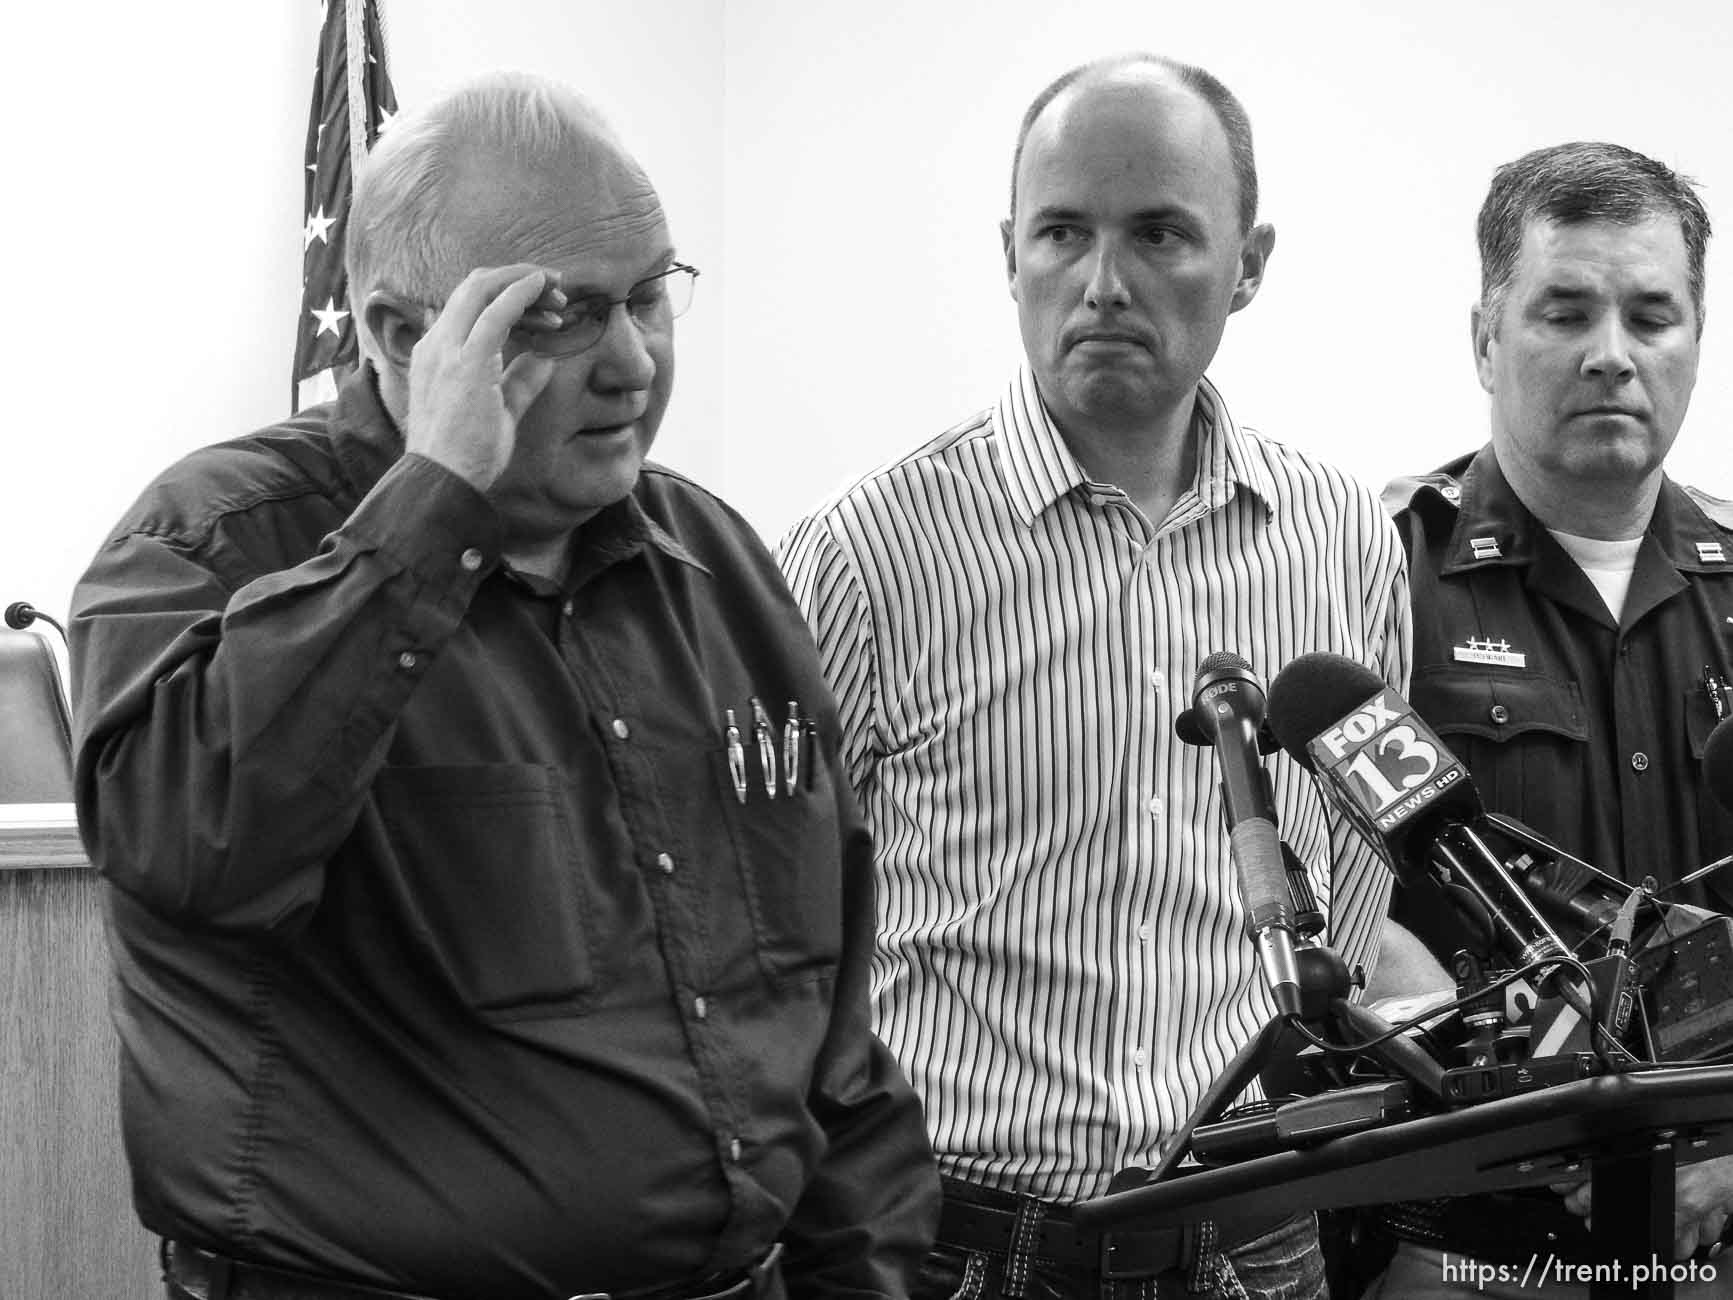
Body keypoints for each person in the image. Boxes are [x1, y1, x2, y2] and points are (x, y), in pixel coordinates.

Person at [69, 71, 939, 1300]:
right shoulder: (214, 540)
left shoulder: (721, 567)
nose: (631, 361)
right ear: (399, 337)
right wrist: (436, 504)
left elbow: (823, 1033)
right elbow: (194, 844)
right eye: (562, 314)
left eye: (649, 295)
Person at [776, 53, 1409, 1299]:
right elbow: (768, 933)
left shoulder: (1341, 536)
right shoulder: (863, 556)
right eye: (1061, 232)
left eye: (1160, 234)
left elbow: (1355, 876)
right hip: (957, 1243)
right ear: (1009, 251)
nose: (1103, 283)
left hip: (1254, 1234)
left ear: (1249, 262)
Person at [1360, 141, 1733, 1299]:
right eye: (1563, 311)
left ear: (1695, 335)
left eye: (1649, 315)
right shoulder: (1373, 575)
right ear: (1483, 337)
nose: (1610, 355)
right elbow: (1308, 899)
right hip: (1463, 1250)